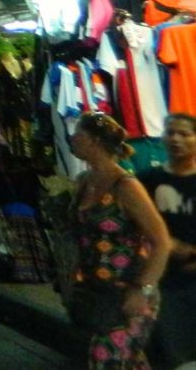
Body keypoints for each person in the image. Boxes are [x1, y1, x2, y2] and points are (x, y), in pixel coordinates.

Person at [70, 113, 170, 369]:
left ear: (94, 141)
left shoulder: (125, 186)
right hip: (97, 292)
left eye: (78, 133)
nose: (73, 138)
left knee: (106, 357)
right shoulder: (84, 182)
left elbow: (161, 240)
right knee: (128, 361)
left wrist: (142, 290)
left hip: (129, 292)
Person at [138, 113, 196, 369]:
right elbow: (136, 226)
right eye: (170, 132)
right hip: (163, 279)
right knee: (170, 350)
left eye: (184, 133)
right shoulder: (147, 180)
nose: (176, 139)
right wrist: (167, 244)